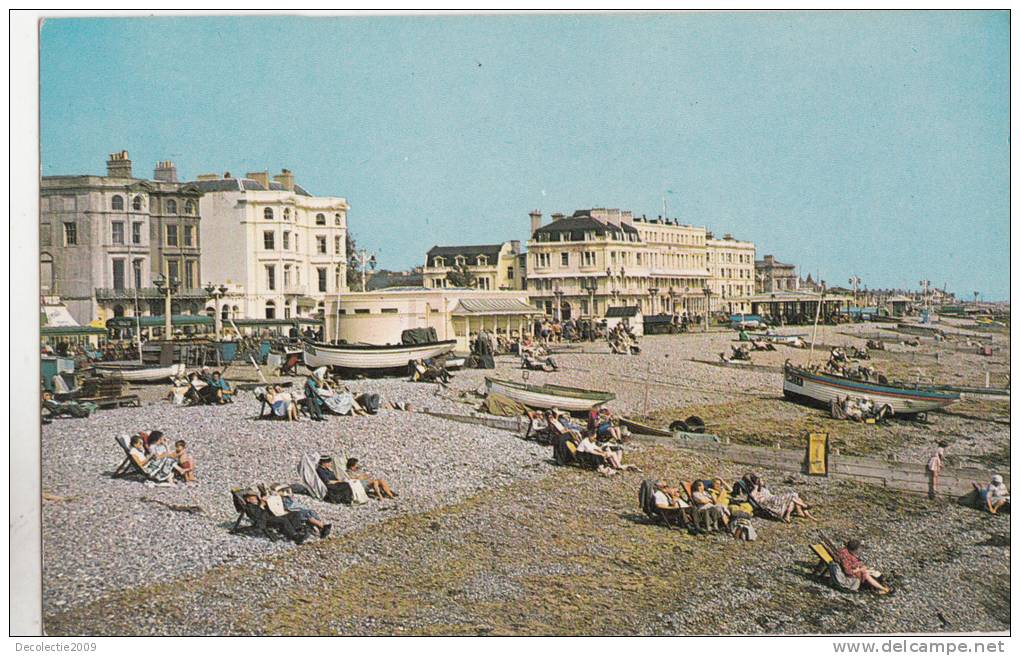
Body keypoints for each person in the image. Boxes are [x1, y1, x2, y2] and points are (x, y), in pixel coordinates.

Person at [748, 474, 815, 523]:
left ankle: (789, 516)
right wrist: (756, 487)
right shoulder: (755, 491)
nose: (762, 481)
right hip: (772, 501)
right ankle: (804, 507)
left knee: (794, 499)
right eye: (760, 480)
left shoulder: (763, 488)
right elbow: (754, 498)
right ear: (756, 482)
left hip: (775, 498)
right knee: (793, 495)